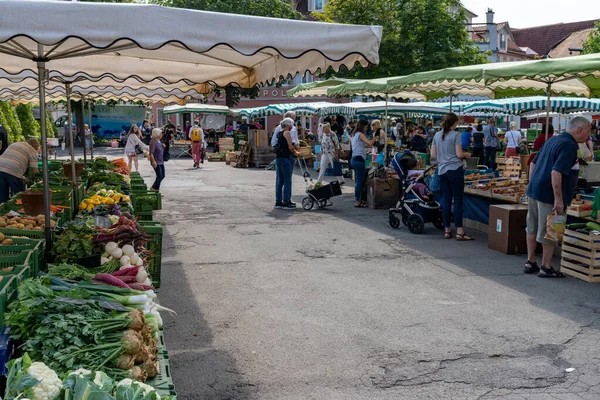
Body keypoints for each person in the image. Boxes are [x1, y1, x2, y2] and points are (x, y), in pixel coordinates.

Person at [525, 116, 591, 278]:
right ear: (579, 130)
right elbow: (556, 172)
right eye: (588, 131)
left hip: (535, 190)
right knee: (552, 229)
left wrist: (532, 183)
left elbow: (533, 162)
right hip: (549, 194)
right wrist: (559, 199)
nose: (589, 136)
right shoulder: (569, 145)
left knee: (532, 227)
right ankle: (546, 267)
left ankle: (530, 261)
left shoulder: (553, 140)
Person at [431, 113, 473, 241]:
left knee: (446, 200)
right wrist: (467, 155)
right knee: (458, 200)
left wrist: (444, 159)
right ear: (454, 123)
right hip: (455, 169)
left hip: (442, 170)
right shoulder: (456, 135)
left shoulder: (437, 135)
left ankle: (447, 230)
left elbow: (433, 155)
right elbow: (459, 154)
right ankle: (460, 231)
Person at [0, 138, 40, 203]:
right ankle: (22, 209)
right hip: (14, 170)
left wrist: (22, 177)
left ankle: (3, 211)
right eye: (37, 148)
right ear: (34, 146)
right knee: (20, 194)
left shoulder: (15, 144)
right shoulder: (32, 150)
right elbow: (34, 170)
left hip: (0, 167)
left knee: (2, 196)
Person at [351, 120, 379, 208]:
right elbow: (370, 143)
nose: (367, 129)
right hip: (359, 160)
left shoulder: (354, 135)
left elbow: (357, 146)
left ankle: (359, 199)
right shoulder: (361, 135)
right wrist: (376, 137)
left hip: (354, 158)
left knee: (358, 180)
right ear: (363, 126)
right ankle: (357, 199)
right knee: (360, 181)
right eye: (366, 127)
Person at [274, 118, 300, 209]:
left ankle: (278, 201)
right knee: (287, 180)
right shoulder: (287, 133)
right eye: (291, 125)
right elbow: (290, 147)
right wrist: (296, 153)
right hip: (285, 157)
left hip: (279, 157)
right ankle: (286, 201)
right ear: (289, 125)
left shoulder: (279, 133)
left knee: (279, 180)